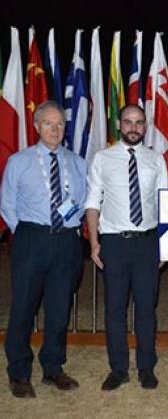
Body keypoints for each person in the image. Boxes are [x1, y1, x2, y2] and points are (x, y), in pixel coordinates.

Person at [0, 101, 87, 398]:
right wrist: (25, 234)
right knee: (23, 308)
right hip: (31, 240)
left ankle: (53, 368)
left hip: (67, 243)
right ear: (37, 126)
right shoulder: (19, 161)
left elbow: (83, 201)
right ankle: (19, 373)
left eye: (60, 124)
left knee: (59, 310)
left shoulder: (78, 162)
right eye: (48, 123)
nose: (55, 129)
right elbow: (8, 204)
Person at [85, 104, 168, 391]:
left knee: (146, 309)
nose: (134, 127)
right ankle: (118, 369)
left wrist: (165, 247)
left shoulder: (156, 160)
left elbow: (164, 205)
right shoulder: (102, 158)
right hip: (114, 243)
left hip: (147, 243)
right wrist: (94, 243)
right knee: (115, 310)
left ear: (145, 127)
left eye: (139, 123)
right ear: (119, 125)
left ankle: (147, 368)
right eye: (128, 122)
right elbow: (93, 202)